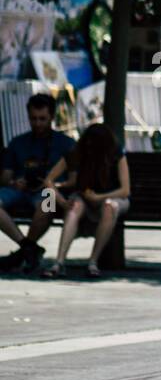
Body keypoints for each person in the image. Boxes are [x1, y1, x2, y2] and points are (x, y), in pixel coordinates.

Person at [31, 123, 131, 278]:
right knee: (69, 206)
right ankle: (58, 262)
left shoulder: (116, 153)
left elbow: (125, 190)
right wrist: (62, 201)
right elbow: (48, 181)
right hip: (76, 197)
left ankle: (92, 262)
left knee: (109, 206)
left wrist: (99, 197)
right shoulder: (77, 151)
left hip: (110, 198)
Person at [0, 93, 76, 273]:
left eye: (43, 119)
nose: (38, 123)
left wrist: (53, 185)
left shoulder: (66, 144)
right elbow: (4, 177)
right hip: (20, 190)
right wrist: (13, 182)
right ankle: (28, 248)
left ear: (51, 117)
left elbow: (74, 180)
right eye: (33, 119)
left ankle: (22, 253)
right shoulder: (18, 143)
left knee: (47, 204)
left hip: (48, 191)